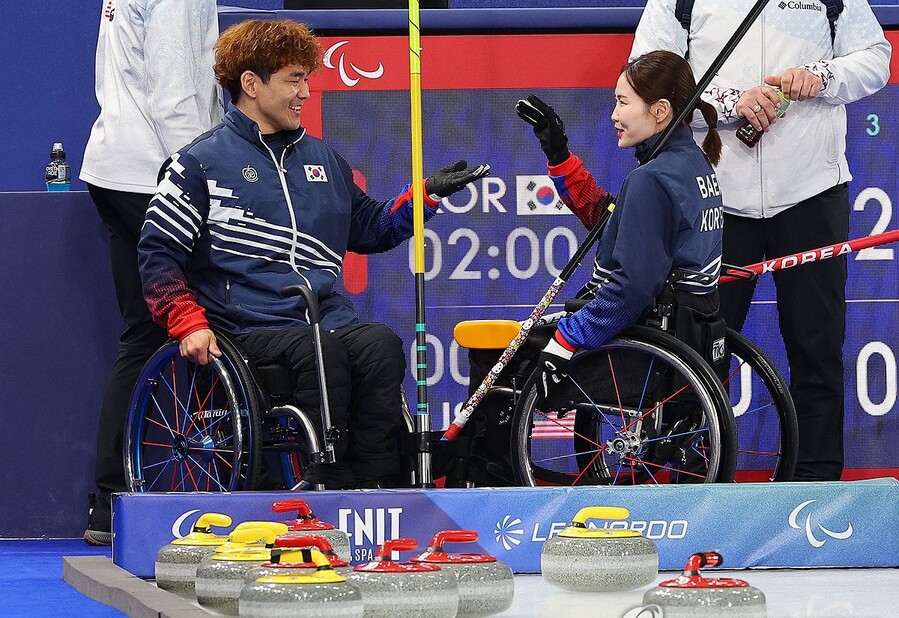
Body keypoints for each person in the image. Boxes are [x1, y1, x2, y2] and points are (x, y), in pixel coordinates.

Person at [138, 19, 489, 490]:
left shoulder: (324, 159)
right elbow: (158, 255)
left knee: (379, 345)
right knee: (319, 349)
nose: (305, 92)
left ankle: (380, 486)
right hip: (246, 324)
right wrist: (187, 321)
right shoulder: (198, 164)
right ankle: (327, 479)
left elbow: (370, 228)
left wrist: (424, 197)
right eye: (293, 79)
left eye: (307, 78)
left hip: (324, 316)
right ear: (251, 84)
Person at [630, 0, 891, 481]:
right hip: (711, 195)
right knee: (697, 356)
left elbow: (876, 57)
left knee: (817, 352)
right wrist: (728, 103)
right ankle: (695, 493)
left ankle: (816, 496)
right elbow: (646, 78)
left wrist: (824, 77)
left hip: (813, 192)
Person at [80, 0, 222, 545]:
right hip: (151, 174)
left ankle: (110, 502)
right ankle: (134, 495)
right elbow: (172, 94)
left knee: (142, 331)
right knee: (192, 320)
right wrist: (209, 170)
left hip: (114, 166)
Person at [516, 51, 724, 401]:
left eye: (622, 102)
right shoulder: (693, 164)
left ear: (660, 111)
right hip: (688, 332)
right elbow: (614, 222)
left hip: (643, 340)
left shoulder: (651, 178)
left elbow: (632, 289)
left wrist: (568, 338)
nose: (614, 115)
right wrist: (559, 155)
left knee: (506, 363)